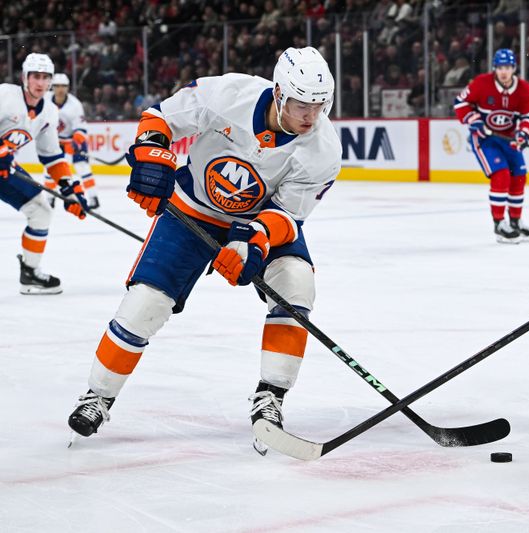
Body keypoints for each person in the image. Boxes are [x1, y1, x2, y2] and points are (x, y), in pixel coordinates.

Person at [66, 47, 341, 455]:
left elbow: (287, 216)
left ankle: (270, 400)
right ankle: (98, 396)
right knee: (145, 303)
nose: (310, 116)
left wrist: (254, 242)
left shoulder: (323, 149)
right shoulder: (229, 93)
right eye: (302, 104)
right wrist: (152, 152)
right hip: (191, 208)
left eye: (319, 106)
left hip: (258, 222)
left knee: (297, 287)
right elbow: (161, 118)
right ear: (280, 93)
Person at [0, 53, 88, 295]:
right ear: (24, 77)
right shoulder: (5, 95)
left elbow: (51, 156)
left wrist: (71, 188)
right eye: (35, 76)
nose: (40, 82)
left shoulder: (49, 111)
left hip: (3, 171)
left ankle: (30, 273)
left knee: (40, 210)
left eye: (45, 77)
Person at [453, 48, 529, 244]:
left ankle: (515, 221)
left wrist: (523, 134)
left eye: (507, 67)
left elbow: (528, 116)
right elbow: (460, 103)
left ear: (514, 68)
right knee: (501, 175)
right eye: (500, 67)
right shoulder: (481, 83)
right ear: (494, 69)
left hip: (509, 139)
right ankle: (499, 223)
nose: (504, 71)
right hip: (485, 139)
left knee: (519, 175)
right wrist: (474, 120)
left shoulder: (524, 88)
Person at [47, 73, 100, 209]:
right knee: (50, 169)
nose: (60, 89)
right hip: (54, 142)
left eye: (63, 86)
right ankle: (49, 198)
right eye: (57, 86)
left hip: (74, 141)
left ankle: (93, 198)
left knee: (83, 168)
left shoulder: (75, 105)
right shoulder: (45, 100)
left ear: (68, 87)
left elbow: (81, 128)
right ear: (52, 87)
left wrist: (76, 142)